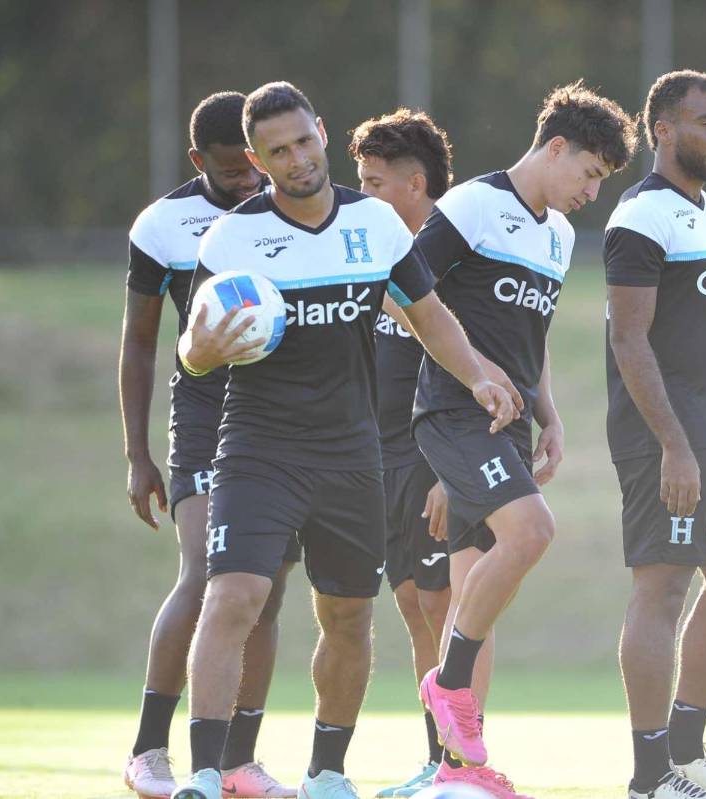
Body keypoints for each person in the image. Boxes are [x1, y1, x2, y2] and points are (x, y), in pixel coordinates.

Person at [169, 81, 520, 799]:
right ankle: (206, 771)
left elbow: (430, 316)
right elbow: (194, 349)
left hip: (351, 456)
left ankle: (327, 771)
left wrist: (480, 375)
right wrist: (199, 353)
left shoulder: (379, 226)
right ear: (258, 161)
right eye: (277, 151)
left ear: (321, 132)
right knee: (232, 594)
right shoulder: (233, 238)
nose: (296, 158)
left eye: (303, 141)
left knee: (349, 615)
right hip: (258, 450)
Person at [411, 81, 637, 798]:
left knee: (478, 581)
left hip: (506, 427)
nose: (592, 192)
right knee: (533, 531)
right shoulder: (475, 204)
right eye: (591, 173)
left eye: (603, 181)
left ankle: (460, 770)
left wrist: (551, 415)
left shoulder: (560, 236)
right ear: (556, 146)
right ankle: (447, 687)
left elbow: (528, 342)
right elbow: (402, 287)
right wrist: (473, 371)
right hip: (451, 409)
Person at [119, 90, 298, 799]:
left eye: (254, 167)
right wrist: (137, 454)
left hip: (282, 420)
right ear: (200, 161)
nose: (248, 180)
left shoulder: (289, 206)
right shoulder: (165, 226)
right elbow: (138, 341)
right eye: (231, 172)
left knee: (270, 589)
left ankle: (237, 761)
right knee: (205, 577)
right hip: (202, 415)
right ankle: (147, 751)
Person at [606, 70, 706, 799]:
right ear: (663, 131)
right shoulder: (641, 216)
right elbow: (630, 340)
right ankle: (648, 778)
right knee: (662, 589)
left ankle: (688, 754)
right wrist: (671, 443)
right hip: (661, 434)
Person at [348, 108, 457, 798]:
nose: (361, 195)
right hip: (380, 457)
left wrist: (454, 469)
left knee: (446, 608)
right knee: (416, 605)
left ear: (413, 184)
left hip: (433, 451)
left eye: (373, 181)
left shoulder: (453, 250)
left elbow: (489, 356)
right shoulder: (372, 248)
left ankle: (463, 763)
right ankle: (438, 758)